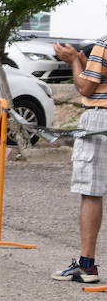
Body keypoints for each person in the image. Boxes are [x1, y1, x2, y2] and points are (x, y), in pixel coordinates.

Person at [52, 35, 107, 283]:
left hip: (100, 118)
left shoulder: (104, 45)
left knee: (91, 192)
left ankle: (86, 265)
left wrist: (74, 61)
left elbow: (86, 87)